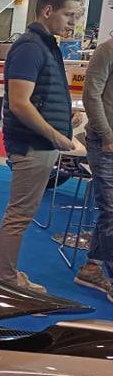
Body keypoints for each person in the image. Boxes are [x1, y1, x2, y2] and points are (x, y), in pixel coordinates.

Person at [0, 0, 82, 293]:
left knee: (21, 214)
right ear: (47, 10)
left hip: (39, 142)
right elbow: (19, 103)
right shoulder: (31, 46)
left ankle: (6, 275)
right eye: (69, 15)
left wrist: (62, 118)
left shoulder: (44, 44)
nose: (73, 23)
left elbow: (37, 97)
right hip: (32, 144)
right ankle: (5, 280)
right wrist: (56, 135)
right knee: (19, 215)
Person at [76, 36, 113, 297]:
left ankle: (92, 267)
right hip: (105, 143)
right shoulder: (107, 50)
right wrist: (107, 136)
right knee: (111, 211)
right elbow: (91, 95)